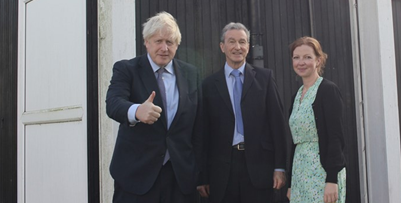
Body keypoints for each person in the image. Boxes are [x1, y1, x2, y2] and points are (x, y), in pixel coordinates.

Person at [106, 12, 201, 203]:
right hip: (137, 177)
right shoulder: (127, 69)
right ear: (146, 42)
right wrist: (136, 111)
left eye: (170, 42)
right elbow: (113, 103)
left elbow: (198, 125)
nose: (164, 48)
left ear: (177, 45)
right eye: (158, 41)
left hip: (180, 179)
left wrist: (201, 173)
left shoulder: (191, 74)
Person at [197, 22, 287, 203]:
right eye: (232, 42)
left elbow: (278, 126)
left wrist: (280, 167)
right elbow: (203, 134)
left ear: (248, 47)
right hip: (222, 171)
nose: (237, 47)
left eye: (242, 42)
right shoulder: (209, 85)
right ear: (222, 47)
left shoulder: (265, 78)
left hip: (259, 168)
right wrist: (202, 176)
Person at [287, 36, 346, 203]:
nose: (301, 62)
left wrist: (332, 179)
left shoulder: (328, 90)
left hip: (322, 172)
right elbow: (294, 142)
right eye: (296, 57)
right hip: (300, 172)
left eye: (307, 57)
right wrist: (291, 183)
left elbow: (336, 137)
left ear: (318, 60)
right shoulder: (297, 96)